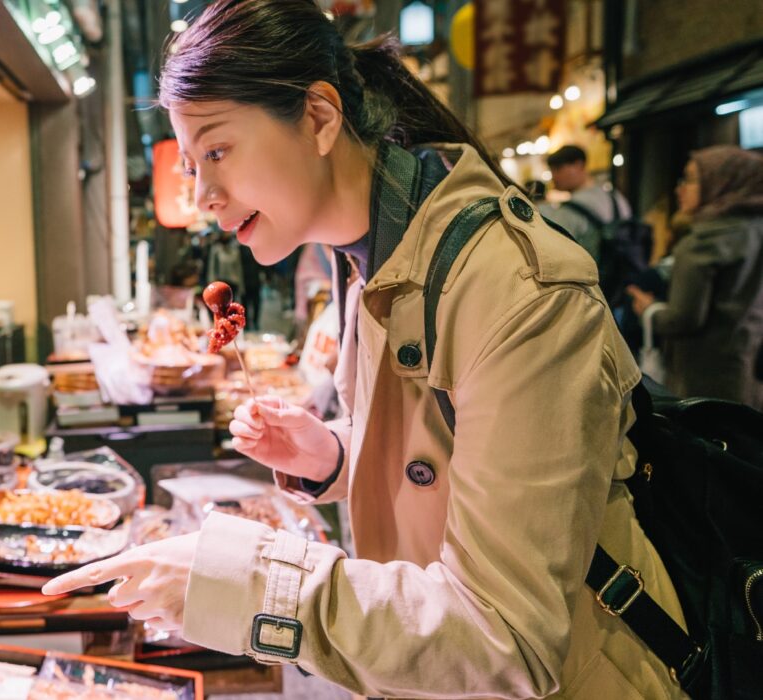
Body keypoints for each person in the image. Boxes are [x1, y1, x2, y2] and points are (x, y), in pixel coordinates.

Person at [43, 2, 683, 697]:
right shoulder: (375, 255)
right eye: (192, 164)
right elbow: (447, 453)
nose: (204, 196)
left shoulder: (519, 292)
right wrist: (335, 455)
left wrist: (244, 581)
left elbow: (506, 637)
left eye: (218, 151)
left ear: (319, 117)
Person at [627, 145, 763, 409]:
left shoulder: (703, 242)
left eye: (689, 179)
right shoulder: (755, 231)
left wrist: (649, 310)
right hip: (751, 367)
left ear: (720, 183)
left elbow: (683, 319)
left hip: (706, 377)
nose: (679, 189)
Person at [545, 145, 632, 266]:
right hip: (622, 279)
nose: (553, 176)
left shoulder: (569, 210)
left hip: (590, 281)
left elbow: (552, 253)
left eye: (558, 169)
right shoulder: (616, 197)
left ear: (579, 165)